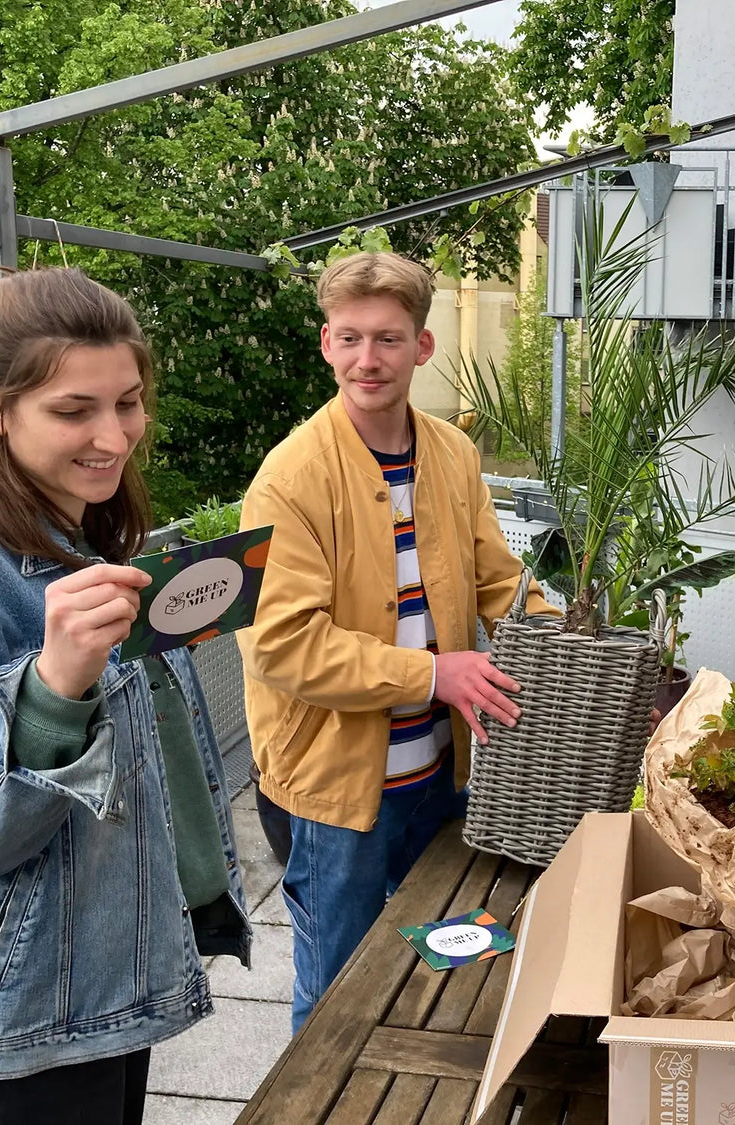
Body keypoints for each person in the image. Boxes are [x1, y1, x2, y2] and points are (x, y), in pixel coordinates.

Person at [0, 268, 251, 1125]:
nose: (113, 435)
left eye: (128, 402)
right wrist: (51, 688)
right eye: (74, 410)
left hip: (95, 997)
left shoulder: (84, 532)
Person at [237, 252, 554, 1032]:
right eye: (349, 338)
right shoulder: (289, 477)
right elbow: (281, 645)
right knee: (334, 991)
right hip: (337, 793)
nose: (367, 359)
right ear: (326, 343)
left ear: (422, 345)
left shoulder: (453, 453)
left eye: (386, 338)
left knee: (445, 963)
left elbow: (498, 581)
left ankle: (417, 1082)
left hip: (444, 773)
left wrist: (562, 646)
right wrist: (433, 675)